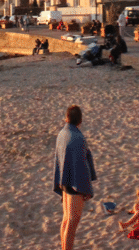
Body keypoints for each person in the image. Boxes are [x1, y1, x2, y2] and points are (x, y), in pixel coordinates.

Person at [53, 105, 96, 250]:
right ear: (80, 120)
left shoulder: (62, 134)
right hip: (74, 183)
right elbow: (81, 167)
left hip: (64, 180)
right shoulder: (78, 138)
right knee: (72, 221)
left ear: (66, 118)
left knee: (66, 219)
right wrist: (86, 190)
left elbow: (60, 159)